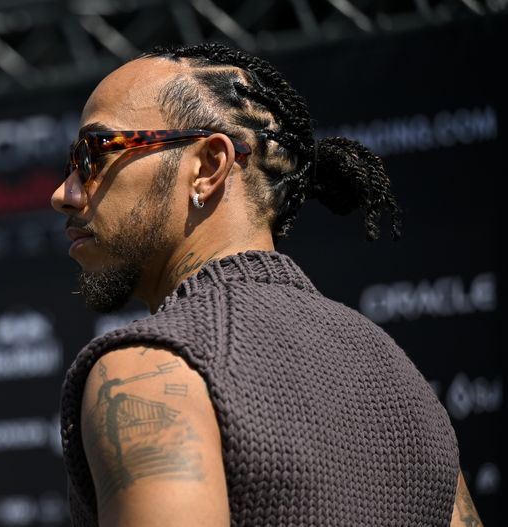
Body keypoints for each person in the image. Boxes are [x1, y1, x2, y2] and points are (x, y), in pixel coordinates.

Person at [50, 43, 482, 527]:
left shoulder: (150, 372)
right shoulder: (407, 389)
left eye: (94, 153)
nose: (62, 193)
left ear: (209, 166)